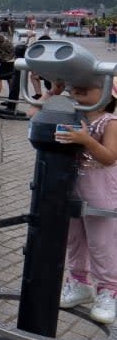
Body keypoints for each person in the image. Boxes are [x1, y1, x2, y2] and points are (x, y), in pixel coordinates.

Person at [57, 80, 117, 323]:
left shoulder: (110, 122)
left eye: (89, 84)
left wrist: (87, 140)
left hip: (100, 194)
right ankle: (80, 283)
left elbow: (110, 157)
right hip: (72, 190)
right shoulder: (72, 114)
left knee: (101, 245)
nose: (79, 87)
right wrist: (52, 92)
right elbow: (32, 114)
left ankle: (108, 290)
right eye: (76, 84)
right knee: (75, 241)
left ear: (108, 93)